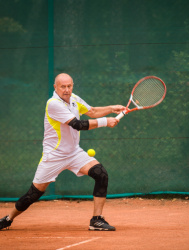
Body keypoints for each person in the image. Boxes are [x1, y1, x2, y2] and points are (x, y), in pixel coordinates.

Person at [0, 73, 126, 231]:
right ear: (55, 87)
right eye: (63, 87)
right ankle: (8, 218)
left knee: (101, 173)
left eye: (69, 86)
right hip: (54, 156)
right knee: (33, 194)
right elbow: (78, 124)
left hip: (74, 153)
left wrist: (111, 108)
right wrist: (105, 122)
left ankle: (97, 220)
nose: (67, 90)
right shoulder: (53, 104)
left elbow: (92, 111)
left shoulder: (74, 99)